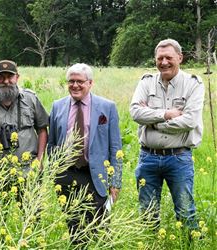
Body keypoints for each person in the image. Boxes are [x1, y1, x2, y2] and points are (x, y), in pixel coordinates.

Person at [130, 38, 204, 230]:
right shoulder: (146, 82)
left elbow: (190, 120)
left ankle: (190, 244)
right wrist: (166, 114)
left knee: (186, 212)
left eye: (169, 57)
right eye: (159, 58)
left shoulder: (193, 84)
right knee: (147, 214)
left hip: (179, 158)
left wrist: (154, 123)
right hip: (148, 157)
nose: (164, 62)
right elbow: (135, 112)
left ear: (180, 58)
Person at [48, 63, 122, 239]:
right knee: (74, 228)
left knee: (100, 228)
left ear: (90, 83)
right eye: (71, 81)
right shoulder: (57, 106)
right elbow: (52, 143)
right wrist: (54, 173)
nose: (75, 85)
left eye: (80, 81)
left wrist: (115, 182)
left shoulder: (107, 107)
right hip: (66, 175)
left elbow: (115, 147)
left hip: (95, 175)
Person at [0, 60, 49, 169]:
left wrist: (40, 160)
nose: (6, 81)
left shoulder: (31, 100)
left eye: (10, 76)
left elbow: (42, 130)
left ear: (17, 77)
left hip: (27, 169)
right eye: (1, 77)